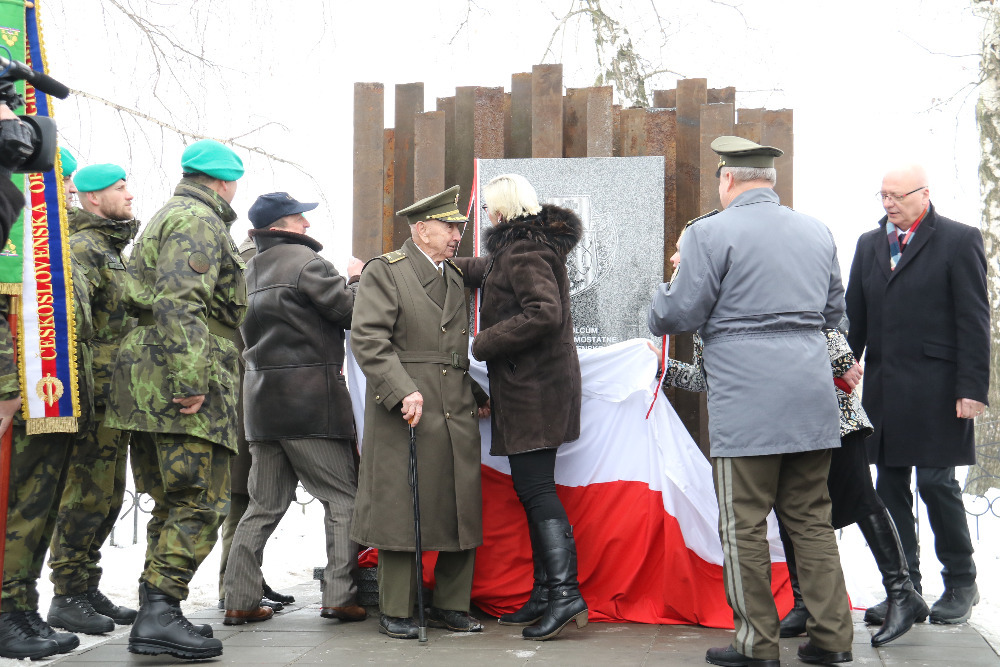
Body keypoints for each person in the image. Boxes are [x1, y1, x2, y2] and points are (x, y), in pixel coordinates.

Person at [659, 220, 927, 648]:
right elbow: (707, 378)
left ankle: (902, 592)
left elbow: (824, 326)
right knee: (796, 515)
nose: (675, 257)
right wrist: (662, 368)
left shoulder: (759, 278)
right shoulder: (716, 300)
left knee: (857, 500)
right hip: (785, 421)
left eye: (680, 250)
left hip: (828, 419)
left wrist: (840, 360)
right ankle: (807, 606)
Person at [648, 136, 853, 667]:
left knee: (743, 526)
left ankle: (756, 645)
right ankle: (833, 639)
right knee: (811, 520)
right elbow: (835, 314)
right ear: (770, 181)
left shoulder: (708, 234)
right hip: (811, 399)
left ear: (728, 180)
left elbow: (676, 314)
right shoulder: (817, 231)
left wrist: (659, 292)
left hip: (746, 402)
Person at [106, 139, 246, 660]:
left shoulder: (172, 214)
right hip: (181, 378)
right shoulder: (198, 220)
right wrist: (191, 379)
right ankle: (160, 611)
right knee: (199, 499)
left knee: (174, 499)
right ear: (225, 181)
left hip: (147, 379)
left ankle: (157, 610)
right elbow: (180, 302)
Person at [845, 164, 989, 626]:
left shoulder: (958, 240)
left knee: (935, 484)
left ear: (924, 194)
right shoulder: (869, 245)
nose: (888, 204)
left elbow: (974, 319)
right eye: (882, 195)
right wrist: (842, 365)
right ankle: (905, 590)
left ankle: (962, 581)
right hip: (885, 391)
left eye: (897, 196)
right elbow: (856, 316)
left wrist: (971, 388)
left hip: (938, 391)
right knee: (888, 488)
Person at [450, 173, 587, 641]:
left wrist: (482, 342)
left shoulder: (525, 250)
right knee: (533, 490)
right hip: (533, 390)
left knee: (536, 490)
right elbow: (484, 270)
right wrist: (434, 263)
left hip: (537, 392)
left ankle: (565, 594)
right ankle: (547, 592)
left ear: (503, 210)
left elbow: (544, 312)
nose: (485, 215)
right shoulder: (517, 249)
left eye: (490, 208)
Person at [351, 186, 487, 640]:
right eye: (449, 227)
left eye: (459, 227)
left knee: (457, 503)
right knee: (400, 506)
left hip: (454, 407)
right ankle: (395, 607)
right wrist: (401, 390)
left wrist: (473, 391)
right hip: (405, 408)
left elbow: (450, 352)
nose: (456, 236)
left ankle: (451, 604)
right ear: (421, 228)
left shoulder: (451, 276)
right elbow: (369, 340)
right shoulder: (385, 271)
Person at [223, 192, 365, 625]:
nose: (307, 225)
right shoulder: (308, 263)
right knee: (343, 500)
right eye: (300, 218)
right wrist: (358, 279)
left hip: (262, 406)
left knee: (261, 506)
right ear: (283, 224)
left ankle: (240, 600)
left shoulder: (246, 272)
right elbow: (352, 312)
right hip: (311, 406)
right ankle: (340, 596)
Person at [43, 163, 139, 636]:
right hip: (95, 395)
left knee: (108, 494)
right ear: (92, 198)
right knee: (86, 495)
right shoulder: (83, 248)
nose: (130, 194)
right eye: (120, 188)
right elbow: (71, 328)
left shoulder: (110, 248)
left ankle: (85, 585)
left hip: (115, 394)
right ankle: (67, 594)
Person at [215, 235, 294, 613]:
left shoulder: (247, 261)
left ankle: (248, 581)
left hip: (245, 396)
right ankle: (234, 587)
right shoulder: (250, 264)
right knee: (244, 501)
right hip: (241, 399)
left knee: (248, 500)